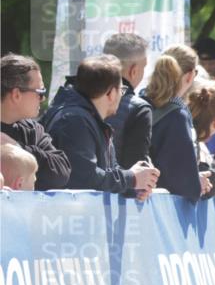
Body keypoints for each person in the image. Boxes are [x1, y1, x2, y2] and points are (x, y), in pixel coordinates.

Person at [43, 55, 158, 196]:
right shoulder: (75, 120)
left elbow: (108, 171)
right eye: (121, 90)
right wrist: (131, 178)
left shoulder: (87, 119)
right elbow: (86, 178)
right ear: (110, 93)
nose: (122, 96)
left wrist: (138, 184)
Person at [142, 45, 207, 202]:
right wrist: (197, 184)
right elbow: (182, 180)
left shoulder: (139, 102)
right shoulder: (177, 116)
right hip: (163, 209)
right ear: (190, 75)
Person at [0, 54, 71, 190]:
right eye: (40, 91)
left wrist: (15, 147)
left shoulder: (32, 129)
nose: (43, 98)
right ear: (16, 95)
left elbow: (61, 173)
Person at [102, 33, 152, 168]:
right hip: (119, 186)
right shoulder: (139, 109)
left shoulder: (77, 97)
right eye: (144, 67)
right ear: (134, 71)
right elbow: (137, 170)